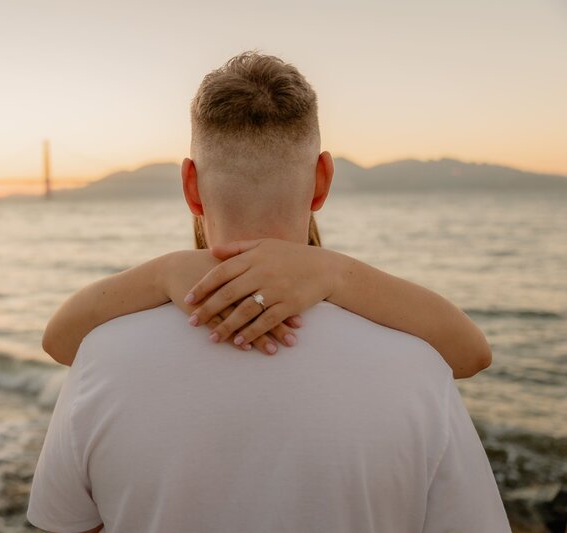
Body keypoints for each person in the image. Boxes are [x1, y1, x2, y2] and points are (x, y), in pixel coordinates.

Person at [27, 51, 510, 532]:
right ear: (322, 181)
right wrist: (337, 273)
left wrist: (160, 275)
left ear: (190, 186)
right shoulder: (417, 366)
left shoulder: (102, 358)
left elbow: (70, 522)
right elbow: (472, 356)